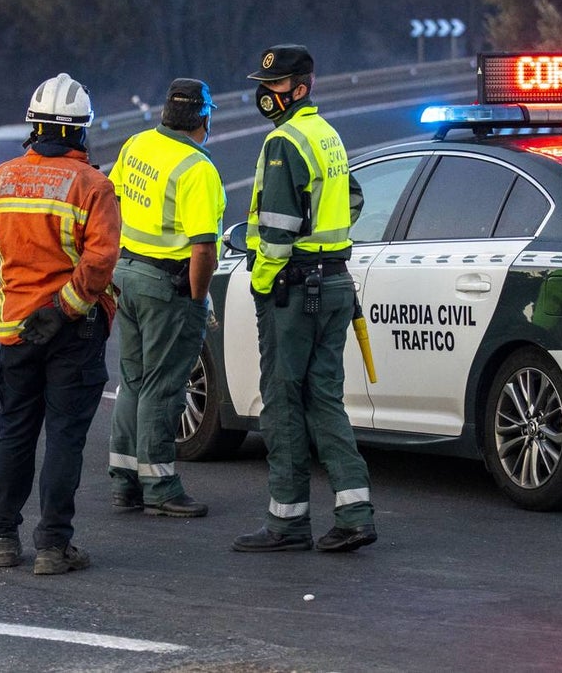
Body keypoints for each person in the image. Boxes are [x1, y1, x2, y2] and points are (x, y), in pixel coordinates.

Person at [232, 44, 376, 553]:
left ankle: (287, 521)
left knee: (283, 401)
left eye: (275, 87)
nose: (266, 95)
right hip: (333, 281)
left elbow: (275, 231)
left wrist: (262, 280)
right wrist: (323, 240)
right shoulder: (327, 136)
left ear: (301, 87)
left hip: (293, 289)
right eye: (265, 85)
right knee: (324, 399)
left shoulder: (283, 143)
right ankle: (355, 512)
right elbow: (354, 199)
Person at [0, 72, 121, 576]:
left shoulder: (0, 180)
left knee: (14, 434)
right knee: (64, 437)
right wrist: (63, 307)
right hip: (73, 329)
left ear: (33, 125)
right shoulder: (92, 185)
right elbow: (101, 260)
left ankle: (0, 539)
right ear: (82, 130)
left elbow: (4, 249)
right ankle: (52, 547)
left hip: (14, 329)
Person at [107, 78, 225, 518]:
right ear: (205, 118)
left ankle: (124, 481)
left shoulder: (136, 144)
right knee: (163, 385)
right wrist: (198, 300)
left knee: (132, 382)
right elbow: (203, 249)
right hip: (168, 287)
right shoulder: (198, 170)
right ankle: (159, 483)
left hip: (128, 274)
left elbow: (113, 200)